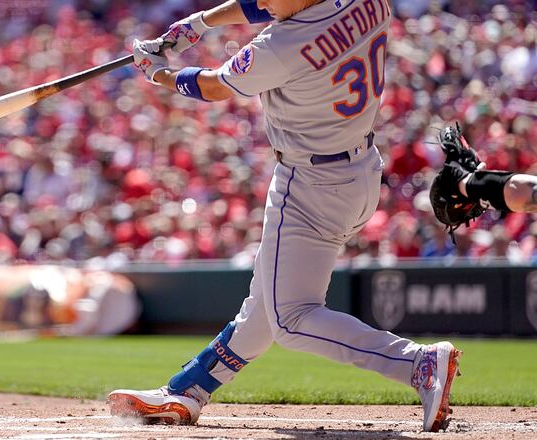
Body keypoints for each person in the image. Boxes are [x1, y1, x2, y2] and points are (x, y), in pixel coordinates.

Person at [108, 0, 461, 432]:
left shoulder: (282, 44)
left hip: (309, 183)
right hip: (360, 171)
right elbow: (277, 7)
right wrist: (199, 22)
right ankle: (188, 389)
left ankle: (417, 364)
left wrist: (157, 72)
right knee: (267, 305)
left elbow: (214, 87)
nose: (264, 2)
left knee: (291, 318)